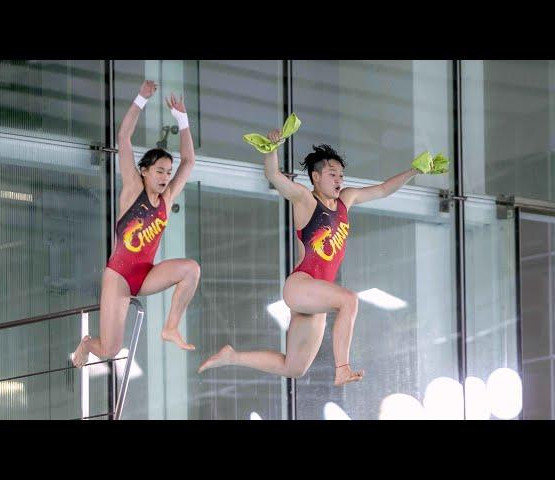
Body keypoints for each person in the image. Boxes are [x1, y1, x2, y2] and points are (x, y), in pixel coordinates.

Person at [199, 129, 444, 385]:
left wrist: (415, 171)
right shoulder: (305, 200)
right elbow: (273, 175)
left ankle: (232, 357)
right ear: (316, 177)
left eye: (341, 175)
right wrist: (271, 150)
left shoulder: (346, 200)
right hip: (301, 286)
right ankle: (343, 368)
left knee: (294, 368)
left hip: (317, 296)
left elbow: (383, 190)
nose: (338, 180)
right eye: (332, 174)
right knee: (349, 300)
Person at [72, 80, 199, 368]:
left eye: (168, 172)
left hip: (145, 274)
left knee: (192, 269)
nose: (166, 177)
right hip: (118, 277)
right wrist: (140, 99)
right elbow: (123, 138)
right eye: (159, 171)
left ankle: (170, 327)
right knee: (109, 348)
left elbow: (189, 161)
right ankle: (86, 343)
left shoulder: (166, 199)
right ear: (144, 172)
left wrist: (182, 120)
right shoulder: (132, 189)